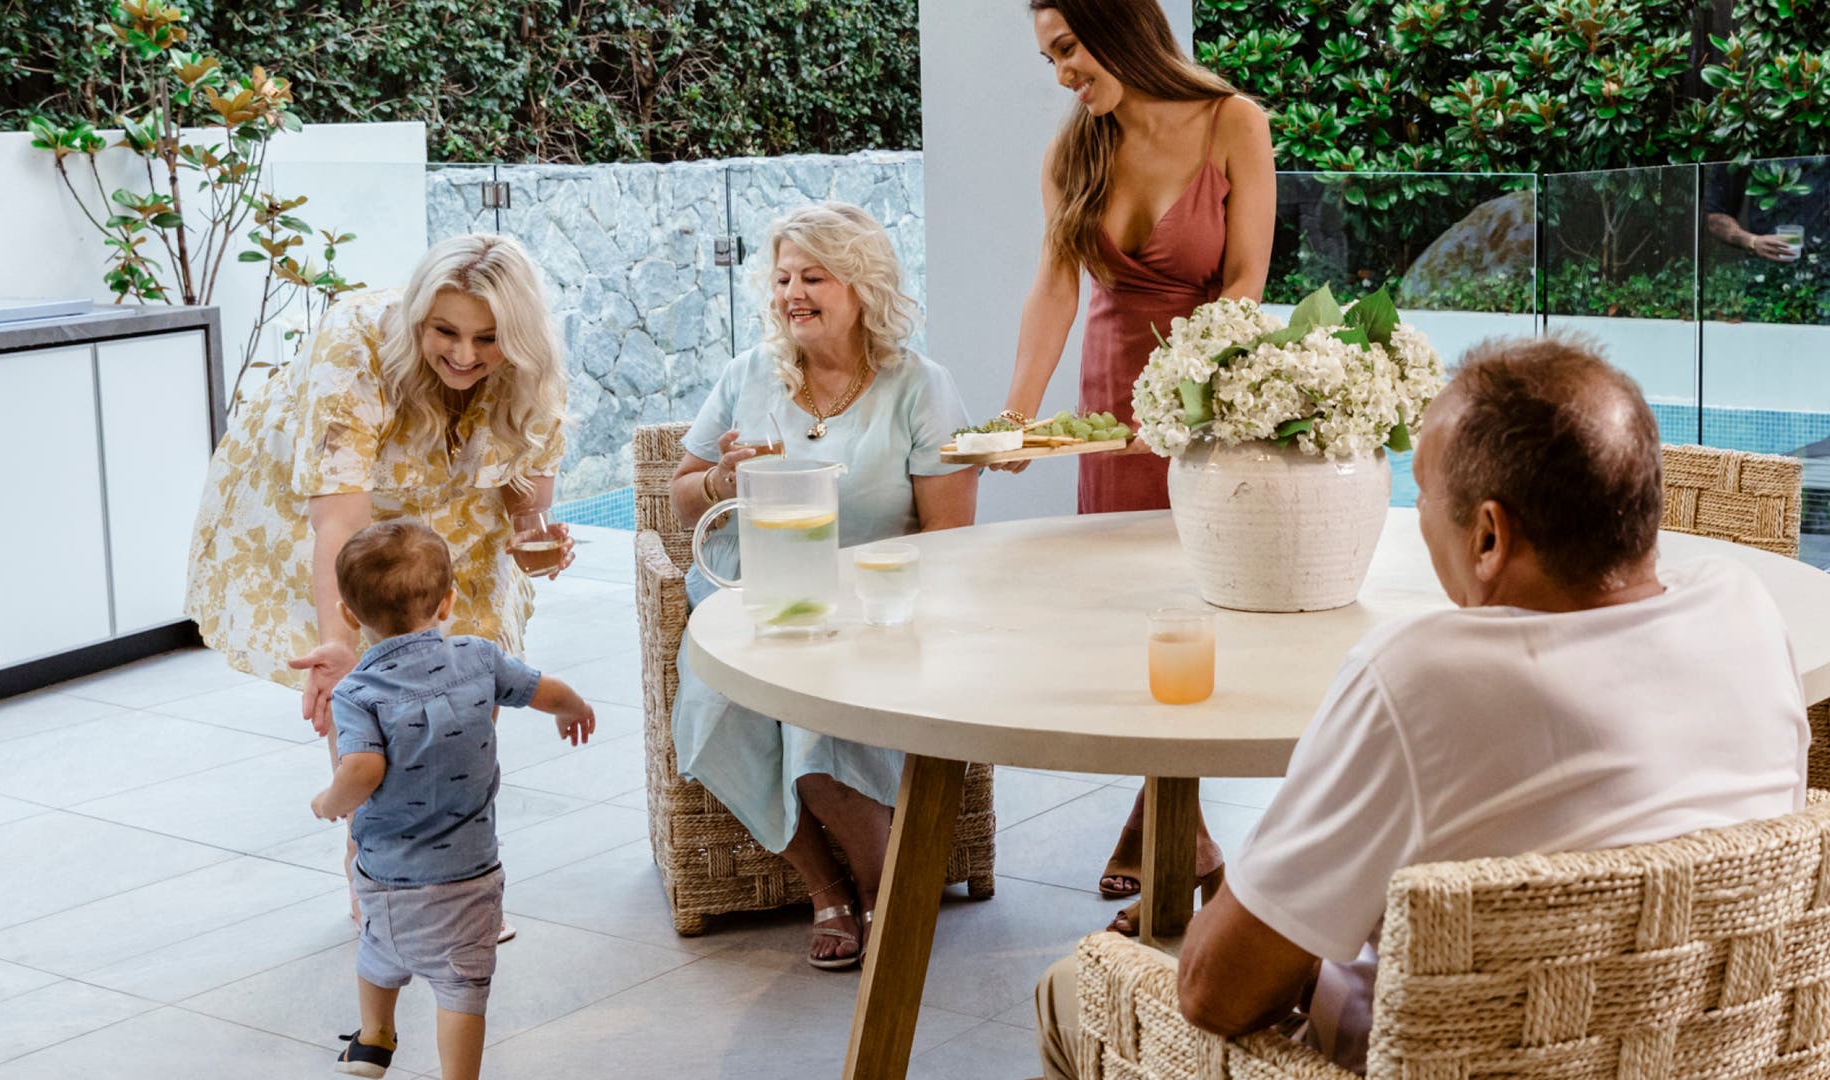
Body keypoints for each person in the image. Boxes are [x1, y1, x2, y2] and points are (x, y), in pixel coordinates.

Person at [1034, 335, 1809, 1077]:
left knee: (1073, 990)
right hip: (1702, 1054)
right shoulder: (1746, 612)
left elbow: (1213, 997)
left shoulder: (1424, 679)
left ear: (1488, 538)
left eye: (1426, 497)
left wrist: (1241, 921)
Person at [186, 233, 574, 933]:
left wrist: (537, 543)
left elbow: (528, 511)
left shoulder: (532, 370)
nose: (464, 355)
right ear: (419, 316)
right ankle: (374, 879)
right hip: (356, 517)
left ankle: (454, 879)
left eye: (488, 339)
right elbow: (339, 521)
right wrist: (341, 645)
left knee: (460, 703)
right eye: (445, 331)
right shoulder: (357, 345)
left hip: (456, 517)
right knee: (374, 704)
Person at [1001, 0, 1277, 931]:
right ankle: (1182, 839)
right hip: (1111, 403)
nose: (1062, 75)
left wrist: (1194, 389)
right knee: (1132, 624)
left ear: (1119, 26)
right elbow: (1054, 286)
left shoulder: (1234, 123)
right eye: (1050, 58)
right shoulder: (1072, 152)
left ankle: (1168, 837)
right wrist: (1019, 417)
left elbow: (1245, 284)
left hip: (1205, 406)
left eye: (1069, 48)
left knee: (1204, 620)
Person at [669, 202, 978, 969]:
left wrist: (894, 605)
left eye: (812, 276)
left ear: (861, 285)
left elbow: (951, 536)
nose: (790, 293)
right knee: (715, 713)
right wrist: (718, 477)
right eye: (781, 278)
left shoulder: (918, 386)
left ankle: (884, 892)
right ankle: (826, 888)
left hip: (872, 600)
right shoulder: (749, 375)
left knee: (813, 728)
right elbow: (682, 493)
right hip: (750, 596)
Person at [310, 522, 595, 1079]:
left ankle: (374, 1038)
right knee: (462, 987)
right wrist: (573, 708)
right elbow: (547, 689)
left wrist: (328, 800)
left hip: (387, 875)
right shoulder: (479, 658)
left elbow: (362, 769)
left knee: (376, 952)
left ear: (349, 614)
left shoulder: (357, 692)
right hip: (470, 874)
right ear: (447, 602)